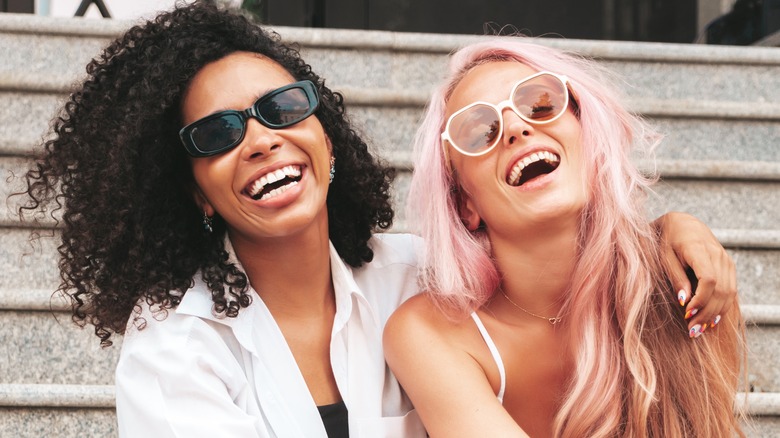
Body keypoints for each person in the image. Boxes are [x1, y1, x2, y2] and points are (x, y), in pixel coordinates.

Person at [16, 2, 737, 437]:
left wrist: (670, 228)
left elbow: (550, 248)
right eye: (218, 134)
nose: (261, 138)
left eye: (282, 109)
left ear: (325, 137)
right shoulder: (175, 344)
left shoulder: (417, 277)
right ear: (195, 192)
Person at [384, 39, 745, 437]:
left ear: (587, 135)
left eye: (540, 103)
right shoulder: (430, 333)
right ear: (465, 203)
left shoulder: (686, 283)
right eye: (479, 132)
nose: (518, 128)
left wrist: (667, 228)